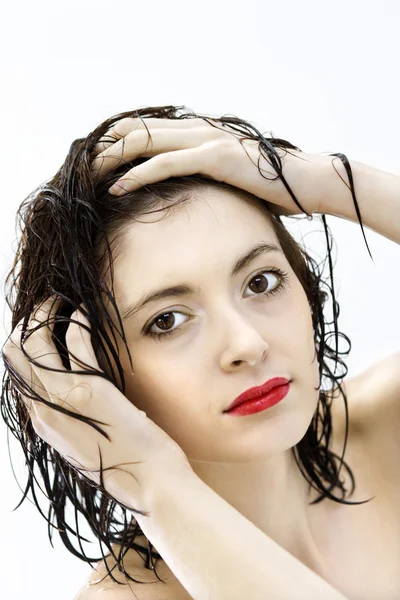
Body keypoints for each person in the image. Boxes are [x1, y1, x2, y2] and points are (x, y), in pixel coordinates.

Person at [2, 105, 399, 599]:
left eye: (261, 281)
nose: (248, 345)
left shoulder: (389, 422)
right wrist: (154, 487)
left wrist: (326, 180)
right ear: (90, 368)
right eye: (166, 320)